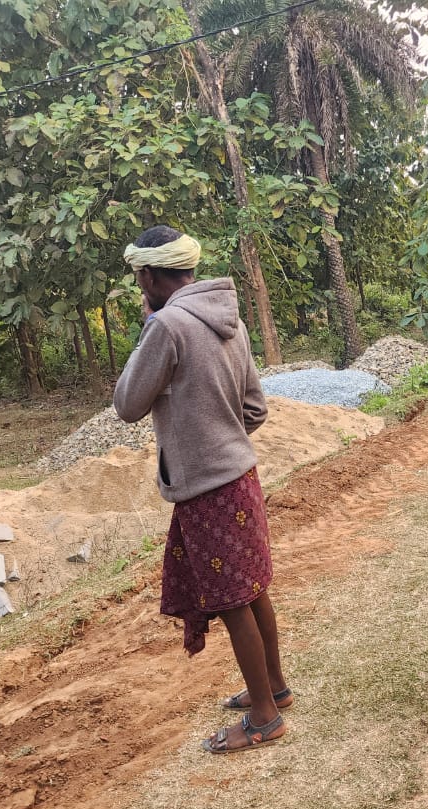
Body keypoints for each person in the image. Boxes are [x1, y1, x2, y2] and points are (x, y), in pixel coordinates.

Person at [114, 225, 291, 755]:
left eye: (138, 278)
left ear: (149, 276)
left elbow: (127, 404)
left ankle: (264, 719)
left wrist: (148, 329)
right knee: (253, 590)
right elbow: (254, 409)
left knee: (233, 602)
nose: (139, 285)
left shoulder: (167, 326)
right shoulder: (229, 318)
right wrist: (224, 435)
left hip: (206, 488)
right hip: (241, 475)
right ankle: (274, 689)